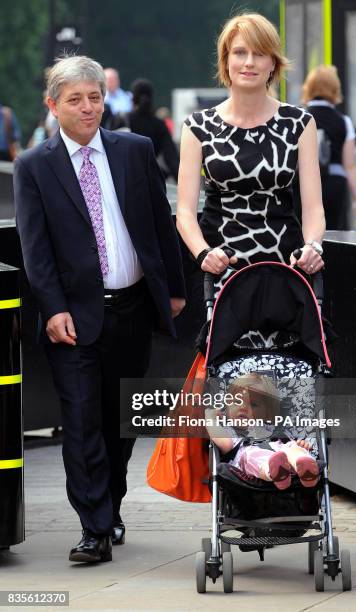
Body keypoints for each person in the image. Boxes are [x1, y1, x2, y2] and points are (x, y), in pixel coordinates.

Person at [14, 55, 186, 564]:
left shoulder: (134, 150)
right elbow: (34, 249)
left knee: (119, 425)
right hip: (74, 317)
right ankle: (93, 528)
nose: (88, 108)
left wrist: (172, 290)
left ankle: (110, 505)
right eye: (75, 100)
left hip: (133, 310)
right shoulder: (34, 166)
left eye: (94, 97)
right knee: (83, 422)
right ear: (52, 106)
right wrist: (52, 309)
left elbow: (160, 221)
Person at [177, 12, 326, 352]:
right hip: (224, 267)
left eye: (259, 53)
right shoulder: (198, 126)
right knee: (231, 391)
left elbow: (314, 207)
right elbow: (185, 211)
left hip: (287, 267)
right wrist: (203, 253)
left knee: (291, 386)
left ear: (273, 63)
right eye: (240, 52)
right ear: (225, 61)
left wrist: (314, 246)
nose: (249, 62)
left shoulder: (299, 123)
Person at [206, 373, 319, 490]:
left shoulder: (272, 428)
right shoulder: (229, 430)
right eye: (238, 401)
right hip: (251, 460)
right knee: (253, 457)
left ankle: (303, 466)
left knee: (293, 448)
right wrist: (210, 420)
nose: (243, 407)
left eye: (253, 404)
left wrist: (300, 446)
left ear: (267, 414)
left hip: (279, 451)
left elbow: (287, 443)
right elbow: (226, 444)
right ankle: (274, 472)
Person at [301, 64, 356, 230]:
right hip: (334, 184)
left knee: (304, 233)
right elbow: (349, 165)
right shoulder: (344, 121)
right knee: (335, 236)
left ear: (308, 88)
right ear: (335, 89)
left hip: (302, 184)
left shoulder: (298, 119)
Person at [111, 79, 179, 182]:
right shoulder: (159, 124)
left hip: (125, 178)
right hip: (150, 179)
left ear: (133, 98)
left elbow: (111, 152)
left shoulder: (122, 120)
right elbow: (171, 158)